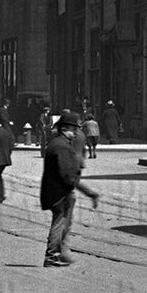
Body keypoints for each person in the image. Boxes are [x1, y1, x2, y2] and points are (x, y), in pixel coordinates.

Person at [40, 111, 99, 267]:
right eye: (73, 131)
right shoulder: (62, 147)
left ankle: (56, 255)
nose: (75, 134)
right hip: (59, 193)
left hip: (55, 191)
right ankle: (52, 256)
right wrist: (88, 192)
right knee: (59, 224)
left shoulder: (56, 143)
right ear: (65, 129)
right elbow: (67, 175)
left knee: (61, 223)